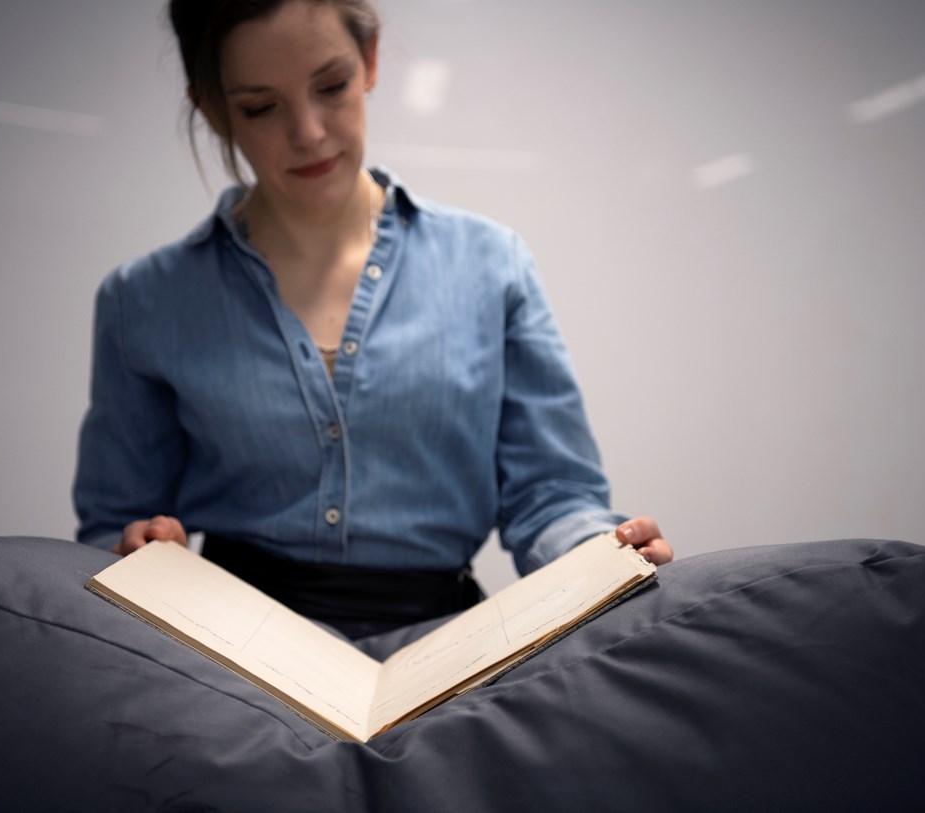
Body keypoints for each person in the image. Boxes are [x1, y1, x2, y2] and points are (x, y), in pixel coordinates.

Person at [73, 0, 672, 639]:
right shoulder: (144, 300)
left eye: (330, 86)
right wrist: (137, 545)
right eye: (260, 107)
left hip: (442, 657)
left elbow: (551, 496)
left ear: (371, 60)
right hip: (231, 657)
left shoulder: (491, 264)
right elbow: (116, 523)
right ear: (213, 107)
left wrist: (603, 553)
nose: (308, 132)